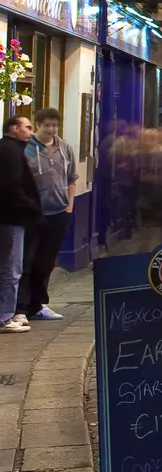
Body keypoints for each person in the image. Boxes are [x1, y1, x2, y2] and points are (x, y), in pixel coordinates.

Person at [20, 109, 77, 321]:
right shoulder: (26, 148)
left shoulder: (64, 147)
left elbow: (71, 178)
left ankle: (40, 303)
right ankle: (22, 308)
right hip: (32, 214)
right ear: (37, 125)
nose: (51, 129)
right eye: (47, 125)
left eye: (55, 125)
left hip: (59, 212)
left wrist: (69, 205)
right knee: (27, 260)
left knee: (46, 261)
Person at [0, 116, 38, 333]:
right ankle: (5, 317)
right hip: (12, 218)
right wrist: (31, 208)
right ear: (14, 129)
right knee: (11, 268)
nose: (31, 132)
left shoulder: (9, 149)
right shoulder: (11, 151)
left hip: (10, 217)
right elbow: (12, 186)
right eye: (27, 127)